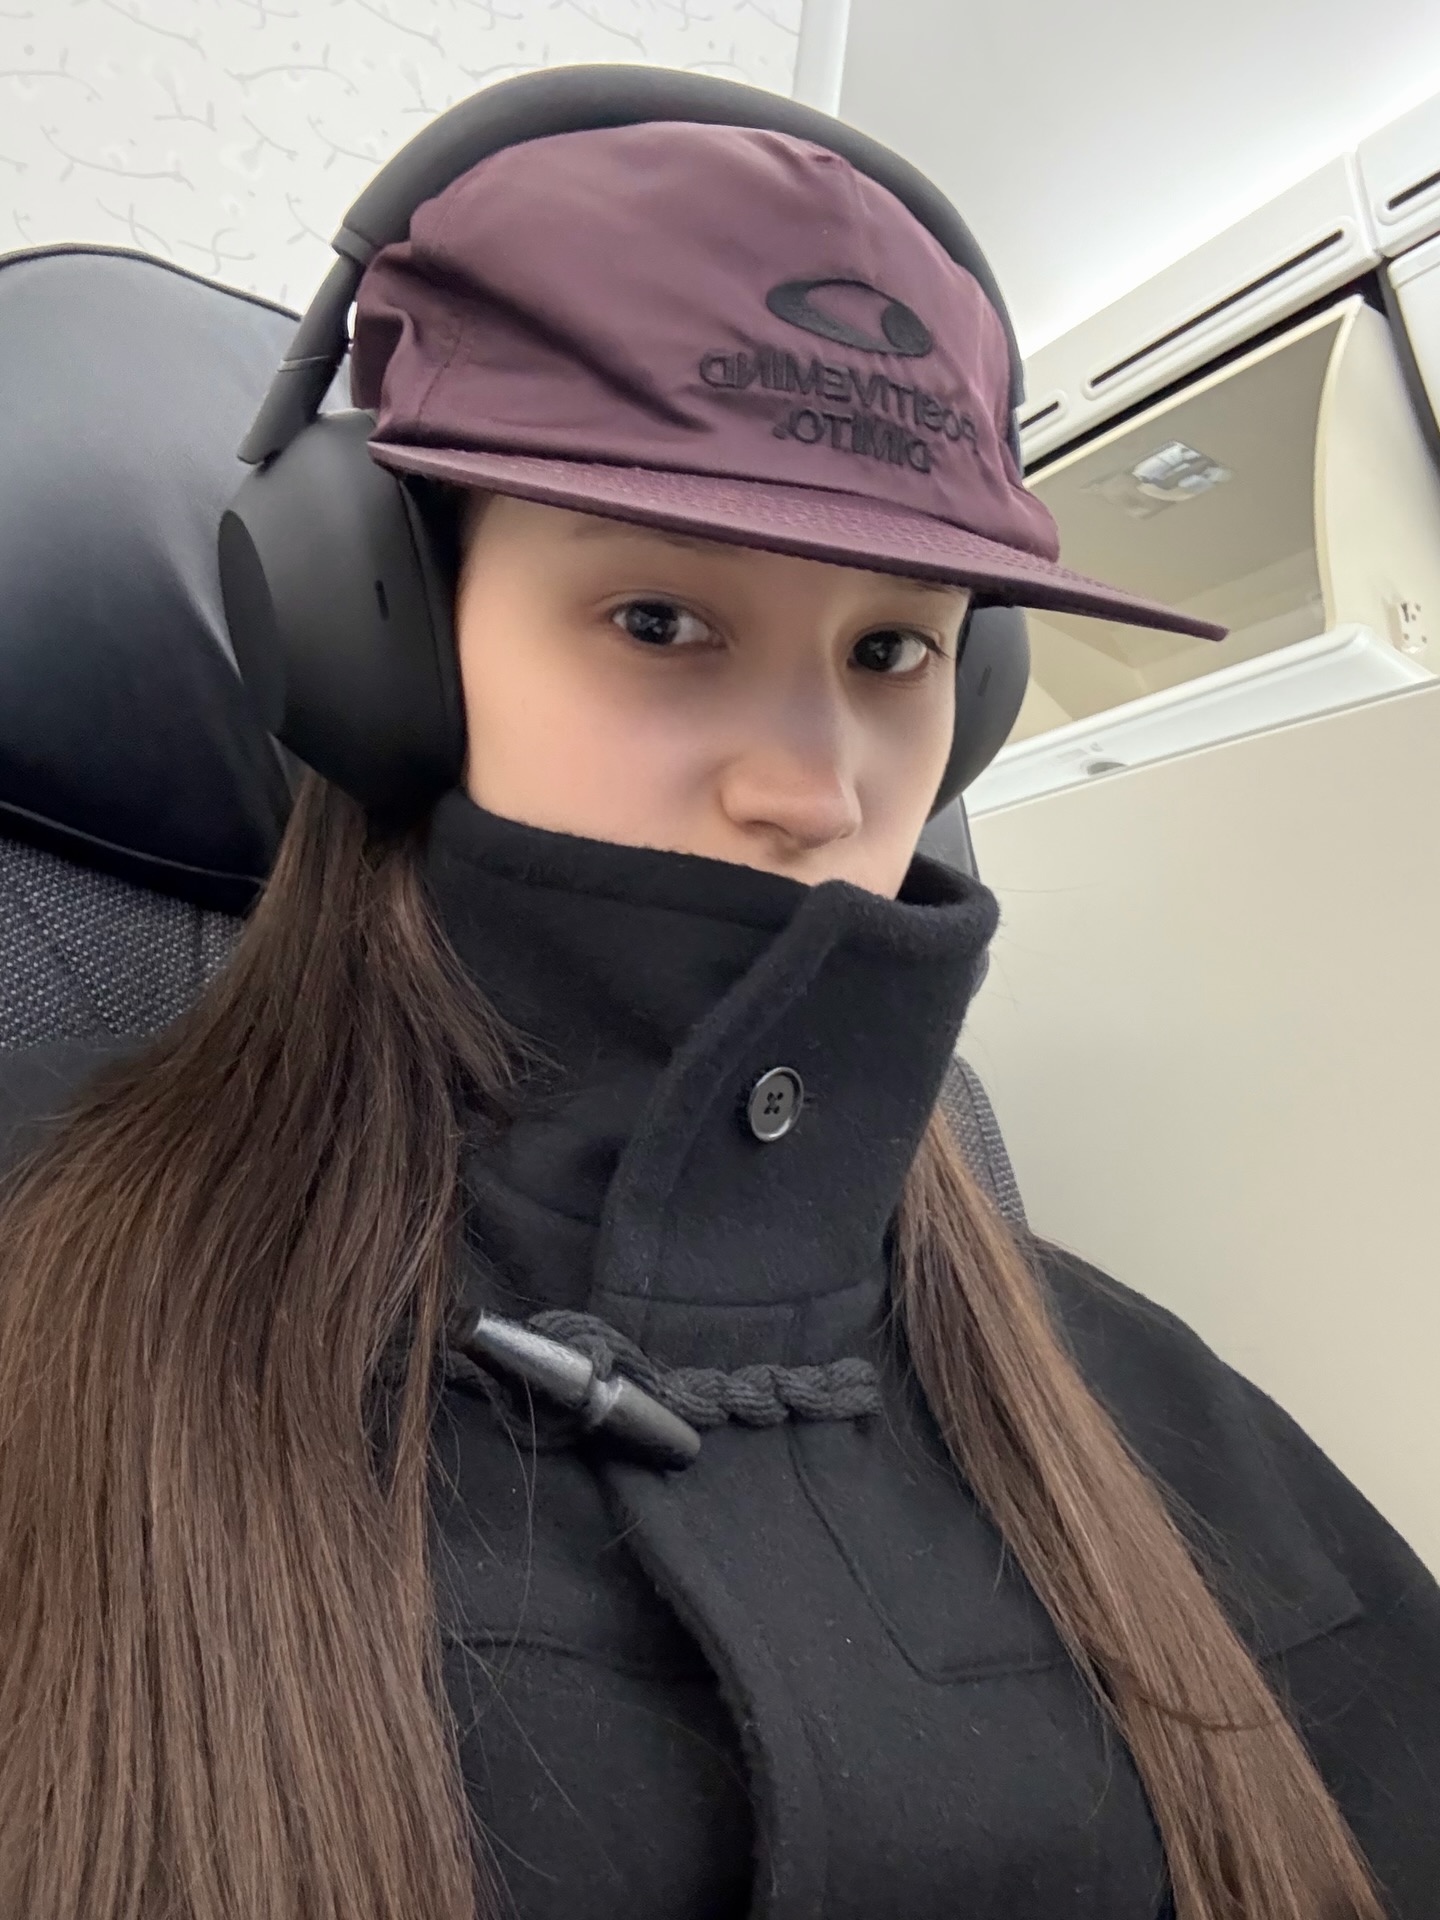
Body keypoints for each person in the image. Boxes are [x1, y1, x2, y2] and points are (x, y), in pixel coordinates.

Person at [1, 77, 1438, 1920]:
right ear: (371, 645)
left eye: (893, 647)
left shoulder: (1140, 1409)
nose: (813, 786)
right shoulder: (50, 1279)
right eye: (661, 622)